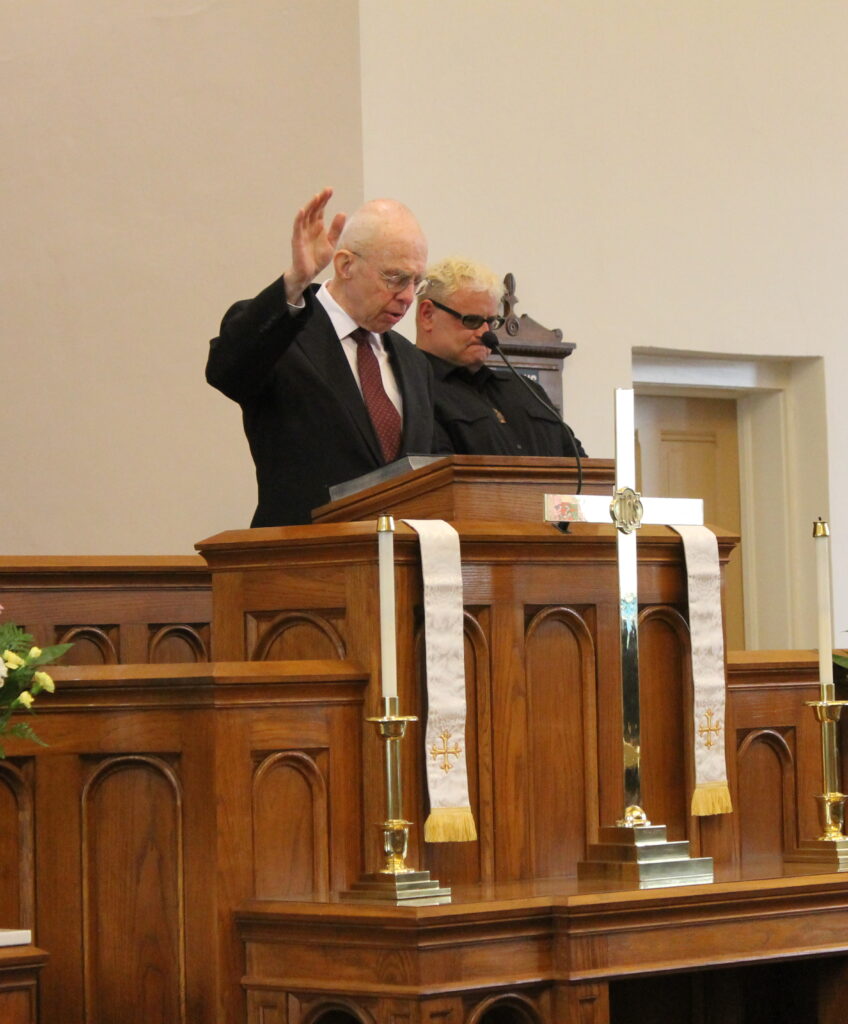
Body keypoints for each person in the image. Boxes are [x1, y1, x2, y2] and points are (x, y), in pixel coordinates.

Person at [206, 188, 436, 527]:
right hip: (302, 560)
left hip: (393, 564)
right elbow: (227, 370)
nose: (406, 297)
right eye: (395, 278)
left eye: (415, 282)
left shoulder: (414, 363)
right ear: (345, 265)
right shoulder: (286, 332)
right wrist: (295, 282)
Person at [415, 258, 586, 458]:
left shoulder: (528, 390)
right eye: (471, 320)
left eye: (491, 322)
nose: (485, 333)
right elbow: (439, 479)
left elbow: (581, 469)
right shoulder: (411, 390)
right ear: (427, 315)